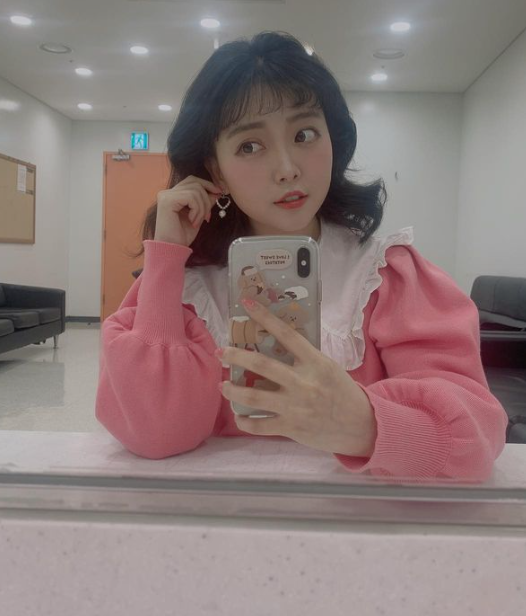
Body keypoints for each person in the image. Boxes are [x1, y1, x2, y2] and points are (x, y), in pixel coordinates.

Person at [95, 31, 508, 480]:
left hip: (356, 519)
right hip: (223, 516)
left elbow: (475, 441)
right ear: (215, 170)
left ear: (333, 139)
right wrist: (165, 258)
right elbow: (153, 434)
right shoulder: (187, 289)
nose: (287, 168)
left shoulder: (385, 275)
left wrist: (367, 425)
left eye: (304, 134)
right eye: (250, 145)